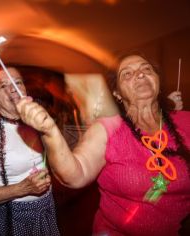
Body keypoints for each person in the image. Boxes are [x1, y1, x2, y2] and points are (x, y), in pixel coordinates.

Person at [16, 54, 190, 236]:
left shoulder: (186, 121)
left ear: (158, 81)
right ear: (117, 93)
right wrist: (49, 131)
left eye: (146, 69)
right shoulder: (109, 128)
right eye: (127, 74)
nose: (140, 75)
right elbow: (76, 174)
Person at [0, 67, 59, 235]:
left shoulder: (38, 123)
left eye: (17, 82)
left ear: (25, 90)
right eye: (3, 85)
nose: (13, 88)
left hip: (45, 211)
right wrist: (23, 188)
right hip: (8, 220)